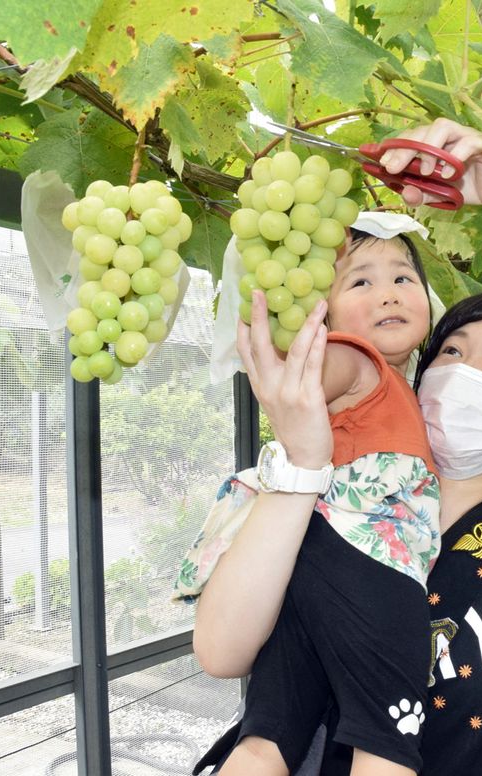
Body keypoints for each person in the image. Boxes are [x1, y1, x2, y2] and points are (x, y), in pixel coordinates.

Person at [192, 119, 482, 775]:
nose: (462, 371)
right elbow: (223, 653)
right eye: (450, 351)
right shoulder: (339, 509)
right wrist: (302, 467)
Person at [184, 225, 442, 776]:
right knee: (387, 740)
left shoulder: (399, 388)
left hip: (303, 555)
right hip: (364, 558)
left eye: (402, 277)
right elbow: (310, 376)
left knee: (269, 735)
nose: (389, 293)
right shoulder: (358, 362)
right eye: (361, 283)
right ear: (321, 314)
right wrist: (291, 349)